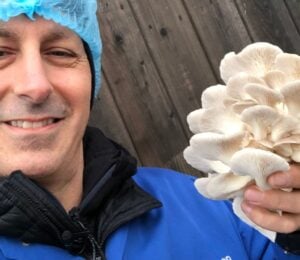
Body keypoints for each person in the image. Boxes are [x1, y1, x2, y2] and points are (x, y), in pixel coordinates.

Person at [0, 1, 299, 259]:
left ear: (91, 77)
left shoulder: (210, 208)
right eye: (1, 53)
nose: (35, 86)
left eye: (61, 52)